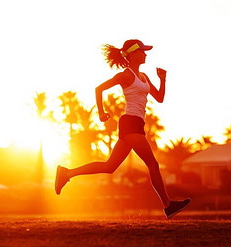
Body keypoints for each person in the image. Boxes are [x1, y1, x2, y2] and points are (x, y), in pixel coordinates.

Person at [55, 39, 190, 219]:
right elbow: (99, 88)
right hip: (129, 123)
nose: (145, 54)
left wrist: (163, 79)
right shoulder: (125, 75)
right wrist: (101, 113)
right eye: (142, 51)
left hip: (137, 124)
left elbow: (159, 98)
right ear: (132, 54)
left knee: (109, 166)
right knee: (153, 164)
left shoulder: (144, 77)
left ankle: (67, 173)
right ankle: (168, 205)